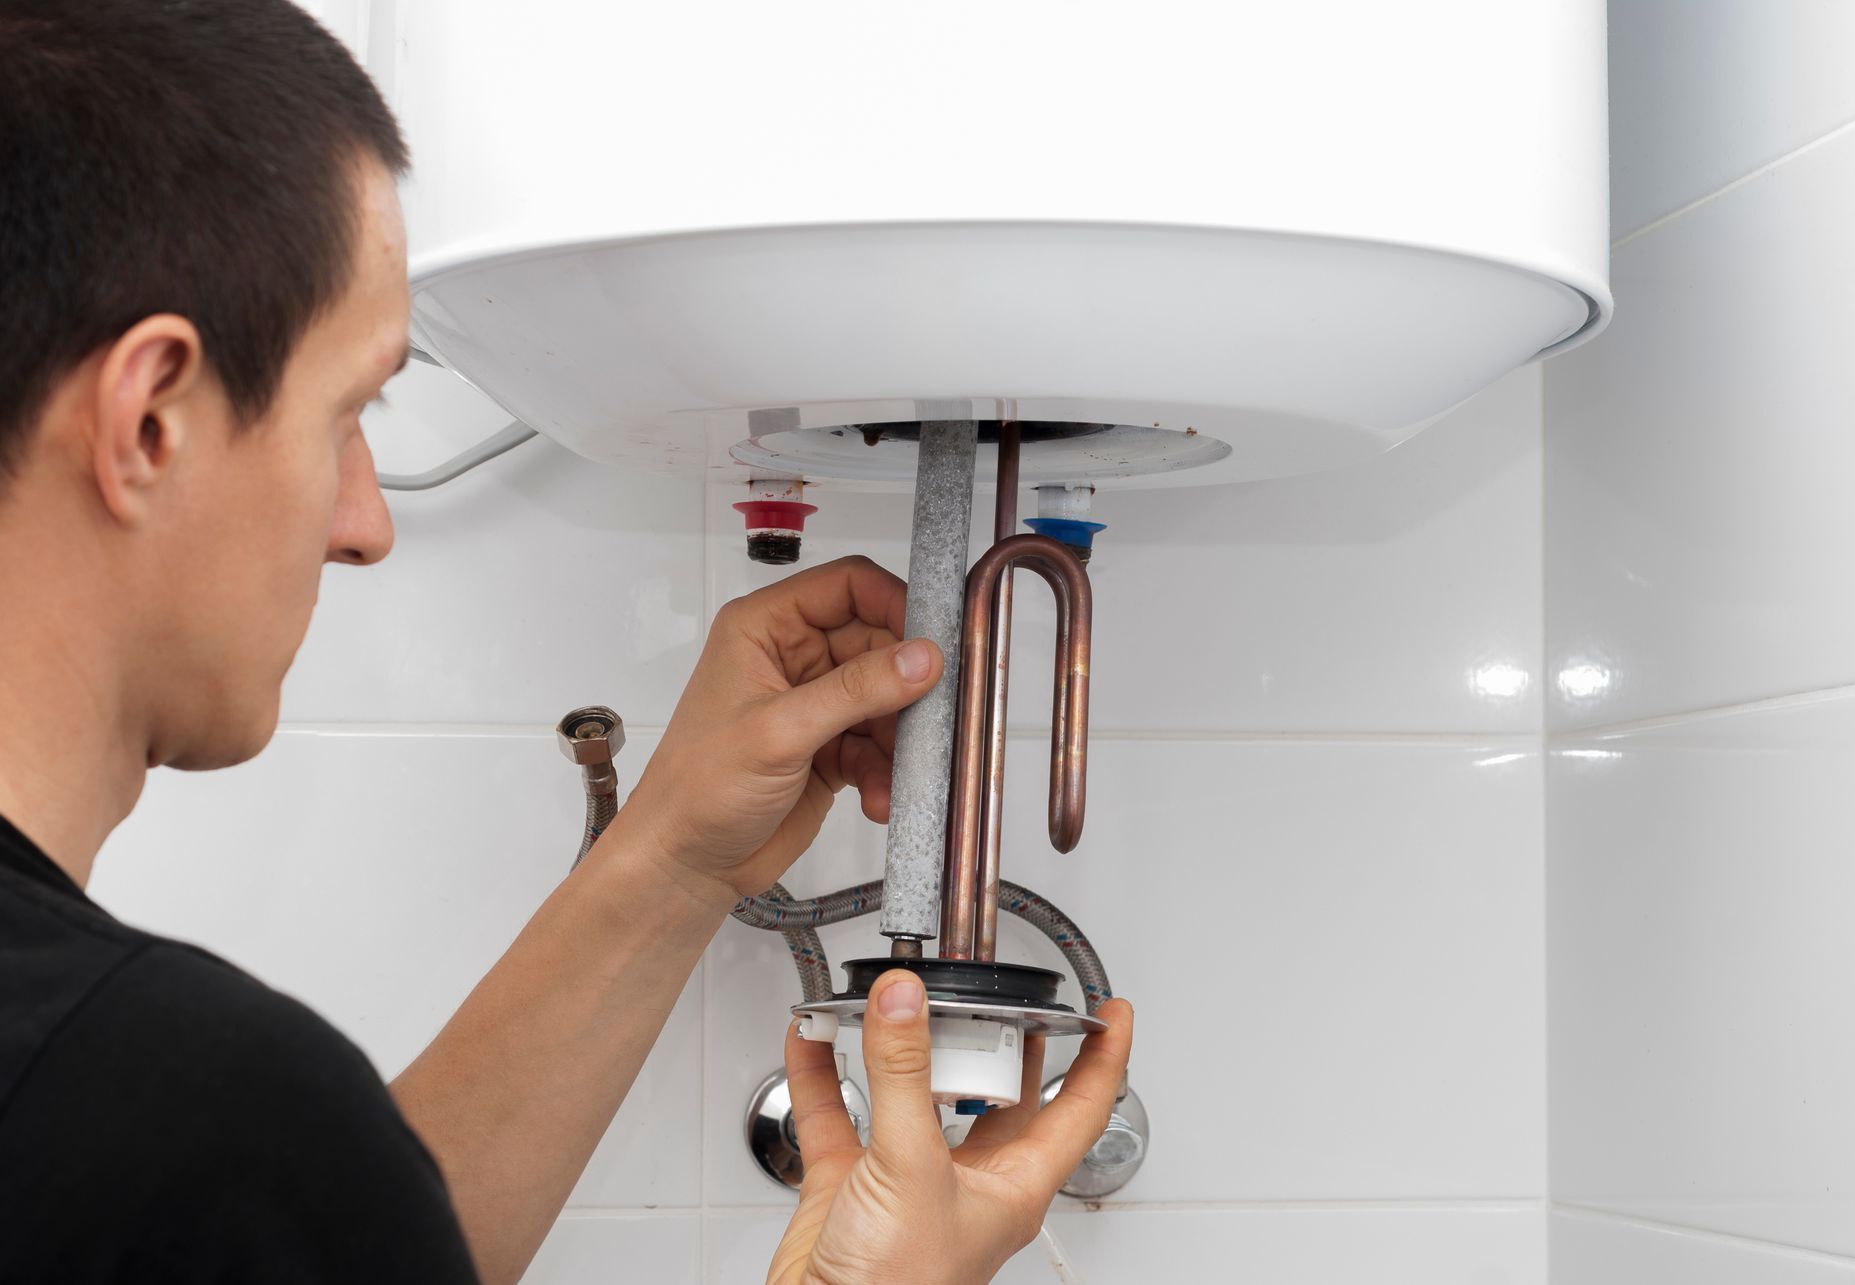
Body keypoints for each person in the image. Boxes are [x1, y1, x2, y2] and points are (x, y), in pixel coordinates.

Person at [0, 2, 1134, 1282]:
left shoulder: (128, 1138)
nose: (367, 525)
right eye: (347, 414)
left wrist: (666, 863)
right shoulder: (167, 1118)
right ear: (149, 421)